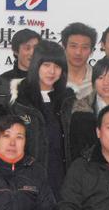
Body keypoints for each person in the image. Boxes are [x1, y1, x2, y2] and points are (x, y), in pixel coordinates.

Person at [12, 40, 74, 199]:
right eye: (46, 65)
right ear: (36, 65)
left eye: (57, 66)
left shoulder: (69, 101)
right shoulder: (19, 101)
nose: (52, 71)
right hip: (27, 186)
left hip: (64, 184)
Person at [61, 22, 98, 99]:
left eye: (84, 47)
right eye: (73, 46)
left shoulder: (98, 79)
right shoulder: (53, 77)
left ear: (91, 51)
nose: (78, 52)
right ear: (64, 48)